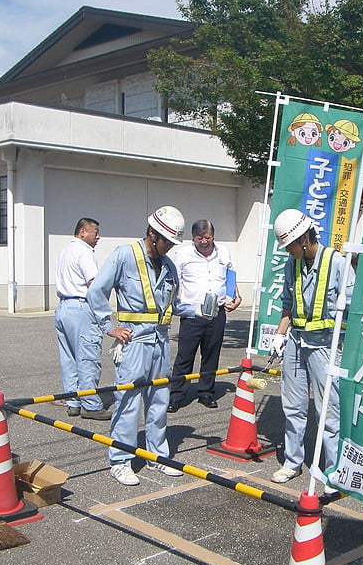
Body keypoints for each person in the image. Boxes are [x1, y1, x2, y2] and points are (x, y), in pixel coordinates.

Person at [88, 206, 191, 486]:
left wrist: (205, 308)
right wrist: (109, 327)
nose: (169, 247)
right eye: (166, 241)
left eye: (172, 242)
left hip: (160, 340)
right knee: (128, 402)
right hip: (134, 342)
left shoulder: (168, 265)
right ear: (151, 233)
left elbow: (175, 303)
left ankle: (157, 455)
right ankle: (120, 461)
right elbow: (97, 290)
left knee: (159, 401)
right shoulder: (125, 254)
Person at [268, 208, 351, 483]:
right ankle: (293, 462)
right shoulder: (291, 264)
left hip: (326, 346)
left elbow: (353, 306)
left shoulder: (337, 263)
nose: (287, 251)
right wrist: (279, 335)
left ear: (304, 238)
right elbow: (287, 305)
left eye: (289, 245)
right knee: (293, 406)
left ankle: (333, 470)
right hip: (295, 341)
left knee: (328, 410)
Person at [168, 220, 241, 412]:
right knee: (185, 356)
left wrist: (235, 296)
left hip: (217, 311)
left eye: (207, 237)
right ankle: (176, 395)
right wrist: (176, 304)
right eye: (199, 238)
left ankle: (206, 392)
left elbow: (230, 276)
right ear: (193, 238)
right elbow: (174, 280)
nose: (204, 242)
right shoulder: (183, 254)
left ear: (213, 236)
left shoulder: (223, 252)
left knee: (211, 354)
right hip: (192, 313)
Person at [54, 218, 110, 419]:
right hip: (80, 307)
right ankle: (91, 405)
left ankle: (73, 401)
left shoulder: (65, 251)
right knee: (88, 357)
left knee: (69, 357)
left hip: (63, 307)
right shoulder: (84, 252)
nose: (98, 237)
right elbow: (93, 286)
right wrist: (104, 313)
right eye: (95, 232)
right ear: (82, 232)